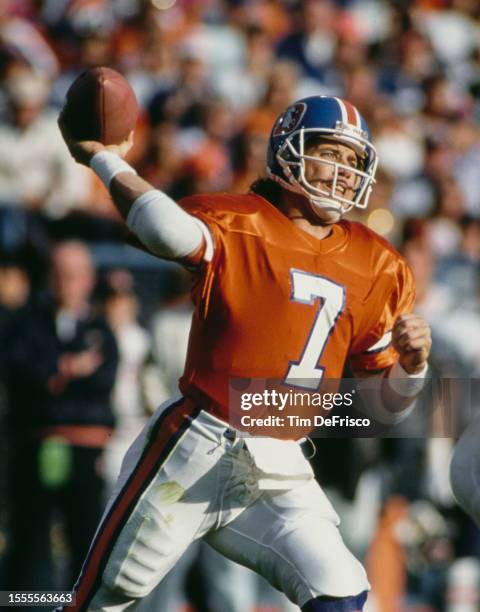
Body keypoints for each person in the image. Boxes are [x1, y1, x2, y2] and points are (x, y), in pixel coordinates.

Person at [57, 94, 432, 612]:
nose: (343, 172)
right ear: (288, 154)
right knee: (97, 599)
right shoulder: (241, 221)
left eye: (353, 161)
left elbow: (387, 408)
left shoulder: (379, 264)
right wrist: (104, 157)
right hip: (197, 447)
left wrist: (413, 369)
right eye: (329, 153)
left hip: (281, 464)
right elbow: (165, 230)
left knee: (345, 597)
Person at [6, 240, 118, 593]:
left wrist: (55, 375)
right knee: (28, 538)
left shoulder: (101, 332)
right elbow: (20, 373)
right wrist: (70, 368)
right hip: (34, 446)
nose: (65, 283)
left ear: (88, 279)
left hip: (85, 451)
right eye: (59, 275)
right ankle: (22, 605)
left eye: (73, 275)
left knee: (85, 539)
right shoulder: (25, 324)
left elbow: (102, 381)